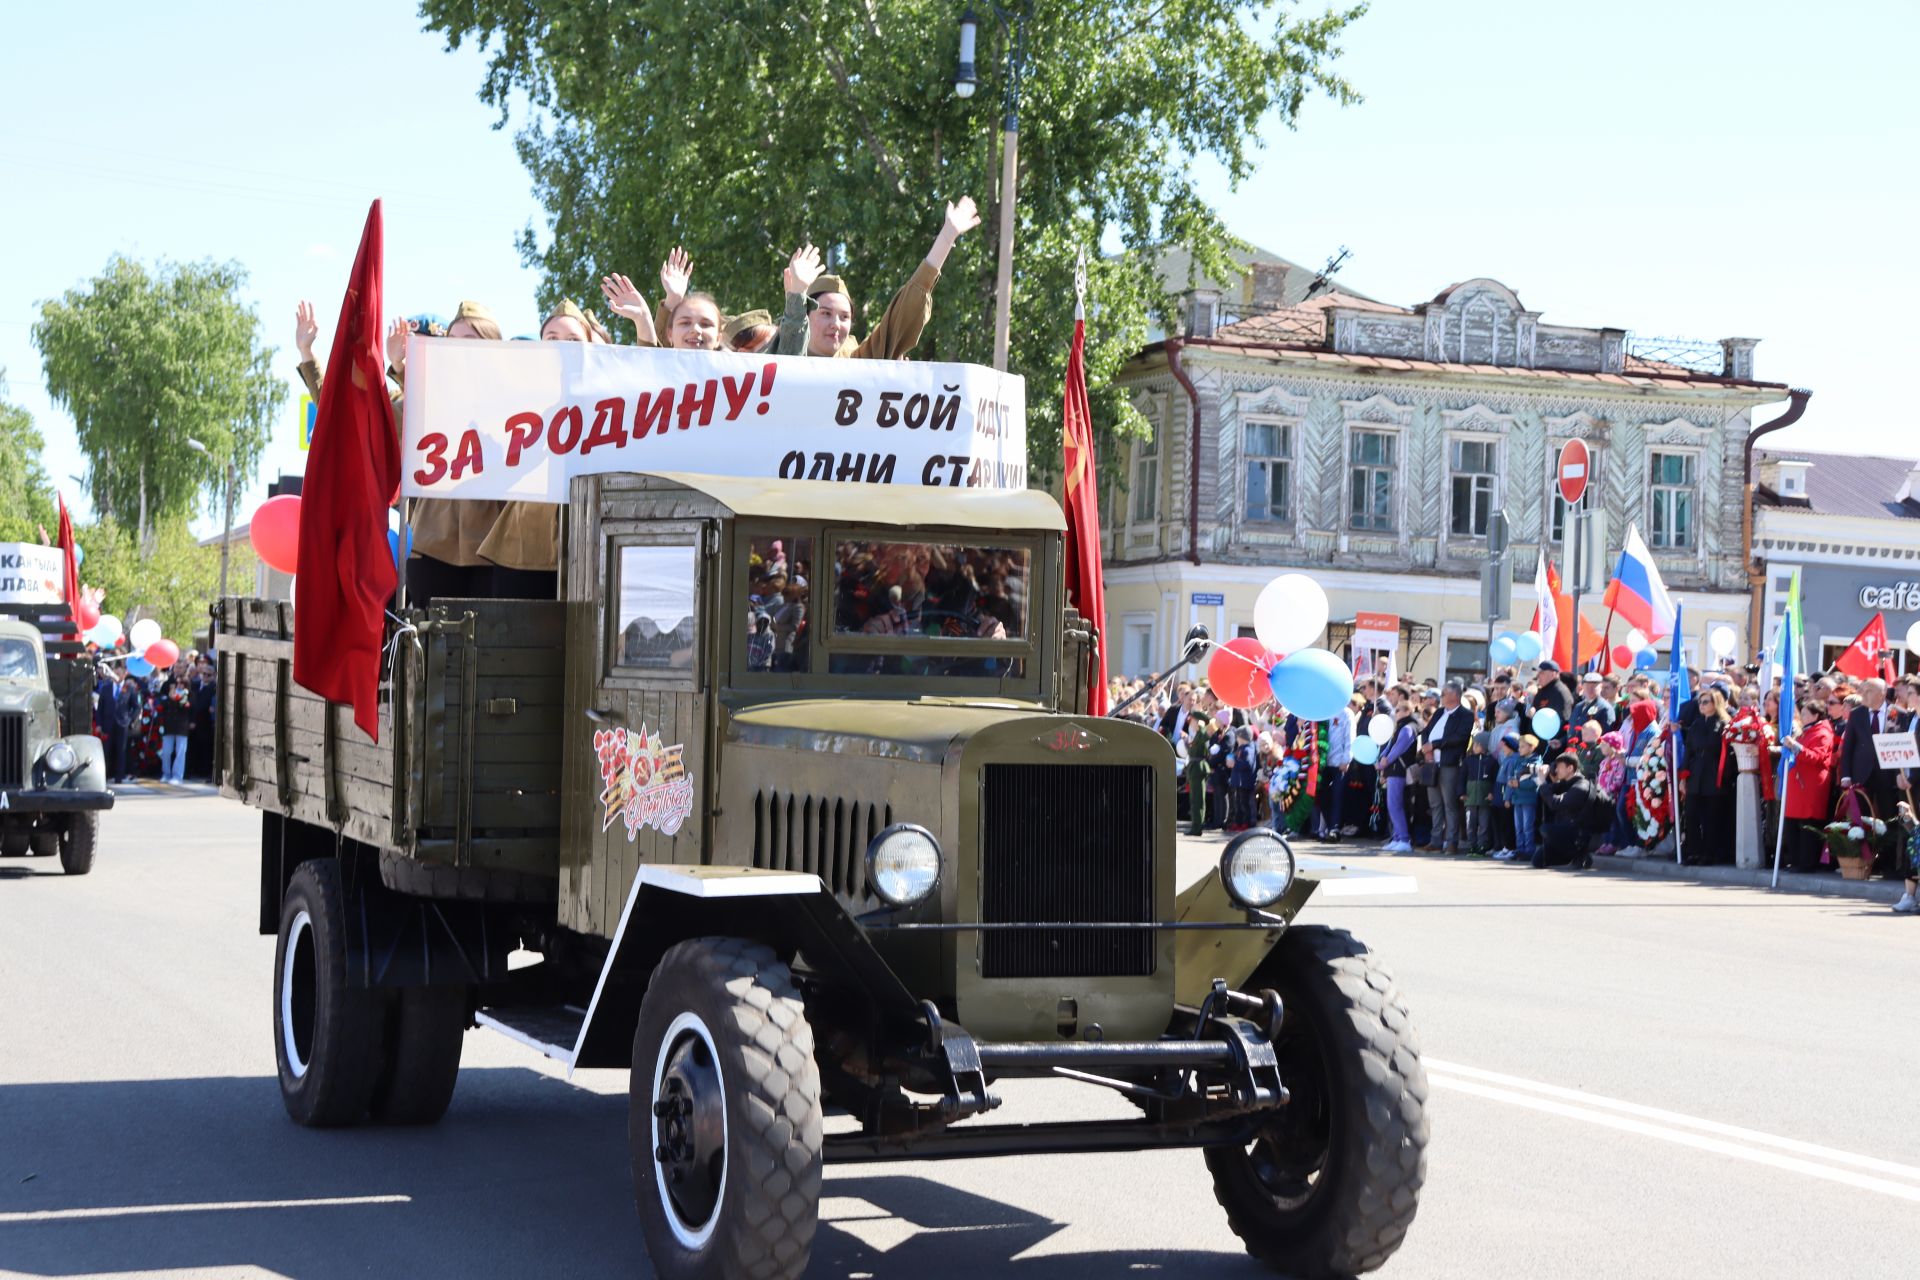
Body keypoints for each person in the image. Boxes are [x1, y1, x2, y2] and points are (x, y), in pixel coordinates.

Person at [776, 198, 981, 359]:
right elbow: (787, 358)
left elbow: (902, 314)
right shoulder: (774, 358)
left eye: (845, 317)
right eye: (826, 313)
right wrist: (796, 295)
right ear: (806, 315)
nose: (836, 324)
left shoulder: (859, 365)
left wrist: (946, 237)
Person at [1838, 677, 1902, 874]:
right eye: (1863, 690)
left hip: (1887, 775)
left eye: (1868, 691)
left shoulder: (1896, 713)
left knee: (1889, 816)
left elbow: (1901, 743)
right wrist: (1846, 775)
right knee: (1861, 818)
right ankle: (1861, 861)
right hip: (1861, 774)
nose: (1863, 695)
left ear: (1882, 694)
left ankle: (1888, 864)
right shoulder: (1857, 714)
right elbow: (1848, 748)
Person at [1781, 697, 1836, 872]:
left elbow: (1816, 757)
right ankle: (1795, 860)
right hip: (1799, 784)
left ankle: (1806, 862)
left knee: (1807, 825)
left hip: (1810, 785)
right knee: (1793, 824)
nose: (1801, 716)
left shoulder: (1823, 733)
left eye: (1805, 713)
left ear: (1815, 715)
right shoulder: (1806, 731)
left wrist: (1795, 746)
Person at [1682, 686, 1735, 865]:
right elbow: (1688, 751)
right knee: (1691, 815)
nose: (1702, 705)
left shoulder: (1723, 724)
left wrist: (1725, 775)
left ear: (1715, 703)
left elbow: (1727, 753)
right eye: (1700, 702)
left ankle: (1709, 853)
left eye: (1706, 702)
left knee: (1711, 817)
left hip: (1713, 775)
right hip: (1695, 773)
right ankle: (1693, 851)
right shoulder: (1696, 724)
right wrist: (1683, 776)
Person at [1421, 680, 1473, 854]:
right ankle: (1435, 840)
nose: (1441, 697)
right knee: (1434, 803)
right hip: (1431, 763)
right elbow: (1426, 731)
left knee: (1449, 804)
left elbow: (1459, 738)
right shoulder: (1439, 713)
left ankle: (1451, 841)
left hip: (1449, 763)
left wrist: (1434, 745)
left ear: (1454, 696)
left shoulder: (1465, 715)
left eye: (1443, 694)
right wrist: (1426, 748)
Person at [1538, 751, 1596, 869]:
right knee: (1538, 860)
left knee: (1545, 829)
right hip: (1564, 830)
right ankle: (1569, 856)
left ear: (1570, 768)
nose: (1557, 770)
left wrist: (1542, 782)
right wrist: (1551, 781)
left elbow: (1556, 804)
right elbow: (1547, 792)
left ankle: (1581, 855)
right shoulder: (1565, 782)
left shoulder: (1581, 786)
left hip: (1577, 832)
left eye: (1559, 767)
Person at [1378, 695, 1418, 853]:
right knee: (1392, 805)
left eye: (1398, 709)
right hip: (1392, 770)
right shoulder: (1401, 727)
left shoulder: (1409, 728)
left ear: (1407, 711)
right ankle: (1396, 836)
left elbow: (1398, 748)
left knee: (1395, 805)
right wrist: (1383, 759)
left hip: (1398, 770)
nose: (1396, 712)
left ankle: (1404, 838)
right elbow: (1390, 746)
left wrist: (1385, 760)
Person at [1316, 697, 1356, 843]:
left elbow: (1350, 738)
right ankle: (1328, 826)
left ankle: (1335, 829)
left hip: (1339, 763)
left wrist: (1346, 759)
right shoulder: (1323, 713)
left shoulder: (1346, 713)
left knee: (1337, 796)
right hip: (1323, 763)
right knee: (1322, 796)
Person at [157, 659, 192, 784]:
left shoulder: (188, 683)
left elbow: (192, 702)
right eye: (176, 667)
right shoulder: (167, 683)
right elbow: (161, 698)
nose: (178, 669)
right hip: (169, 722)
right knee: (166, 751)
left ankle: (177, 776)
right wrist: (169, 698)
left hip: (182, 723)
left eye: (181, 667)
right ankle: (166, 774)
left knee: (180, 752)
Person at [1463, 731, 1497, 856]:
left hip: (1485, 798)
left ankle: (1483, 845)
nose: (1474, 747)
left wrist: (1492, 793)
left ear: (1482, 746)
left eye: (1476, 744)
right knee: (1470, 823)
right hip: (1470, 797)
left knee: (1484, 824)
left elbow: (1494, 779)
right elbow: (1462, 778)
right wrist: (1461, 792)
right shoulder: (1468, 761)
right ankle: (1472, 846)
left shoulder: (1491, 761)